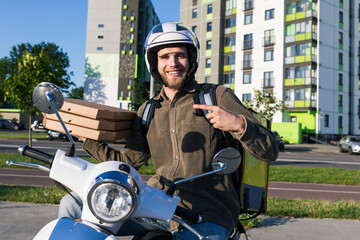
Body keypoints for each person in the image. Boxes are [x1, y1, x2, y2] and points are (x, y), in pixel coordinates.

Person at [59, 21, 278, 239]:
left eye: (179, 55)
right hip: (154, 207)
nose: (173, 63)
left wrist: (239, 125)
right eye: (164, 57)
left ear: (191, 59)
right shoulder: (148, 110)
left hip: (207, 214)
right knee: (73, 205)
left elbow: (270, 150)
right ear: (154, 63)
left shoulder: (217, 96)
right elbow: (128, 161)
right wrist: (86, 139)